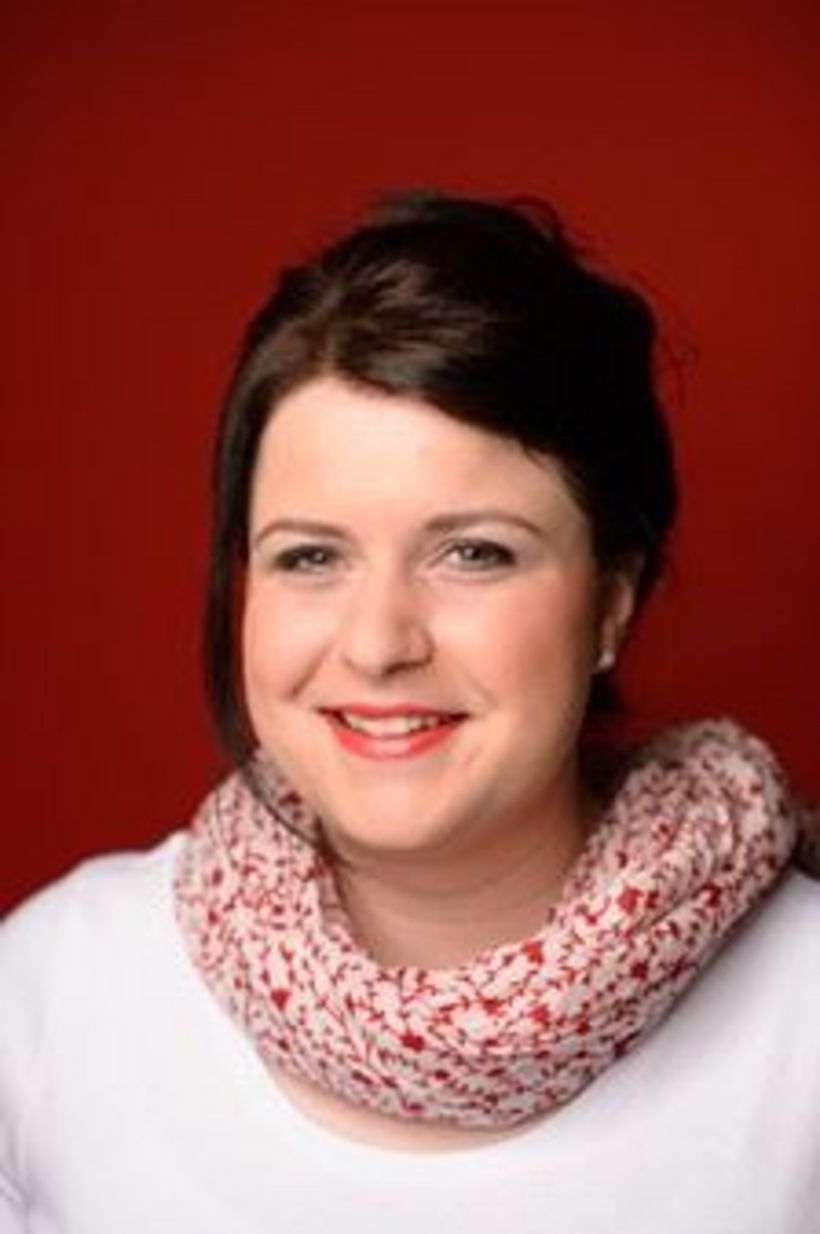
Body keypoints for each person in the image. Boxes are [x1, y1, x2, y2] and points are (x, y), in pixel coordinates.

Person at [1, 189, 818, 1234]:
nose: (379, 642)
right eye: (311, 557)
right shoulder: (57, 989)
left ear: (611, 600)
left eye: (473, 552)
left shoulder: (803, 1017)